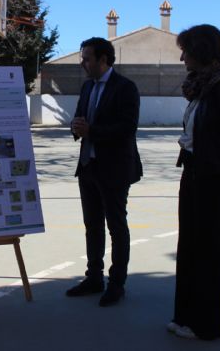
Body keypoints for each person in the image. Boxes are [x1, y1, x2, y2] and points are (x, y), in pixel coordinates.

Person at [169, 24, 220, 340]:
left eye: (185, 50)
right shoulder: (203, 86)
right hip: (194, 173)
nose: (181, 57)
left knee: (210, 253)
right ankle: (186, 317)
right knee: (189, 247)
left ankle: (208, 325)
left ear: (200, 51)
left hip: (214, 179)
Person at [67, 37, 143, 307]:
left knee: (116, 227)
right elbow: (80, 118)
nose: (82, 63)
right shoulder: (87, 87)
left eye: (87, 58)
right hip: (88, 167)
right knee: (92, 226)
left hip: (114, 169)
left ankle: (117, 284)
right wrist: (75, 127)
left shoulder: (125, 88)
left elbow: (127, 127)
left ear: (103, 59)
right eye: (82, 57)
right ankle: (94, 278)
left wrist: (92, 132)